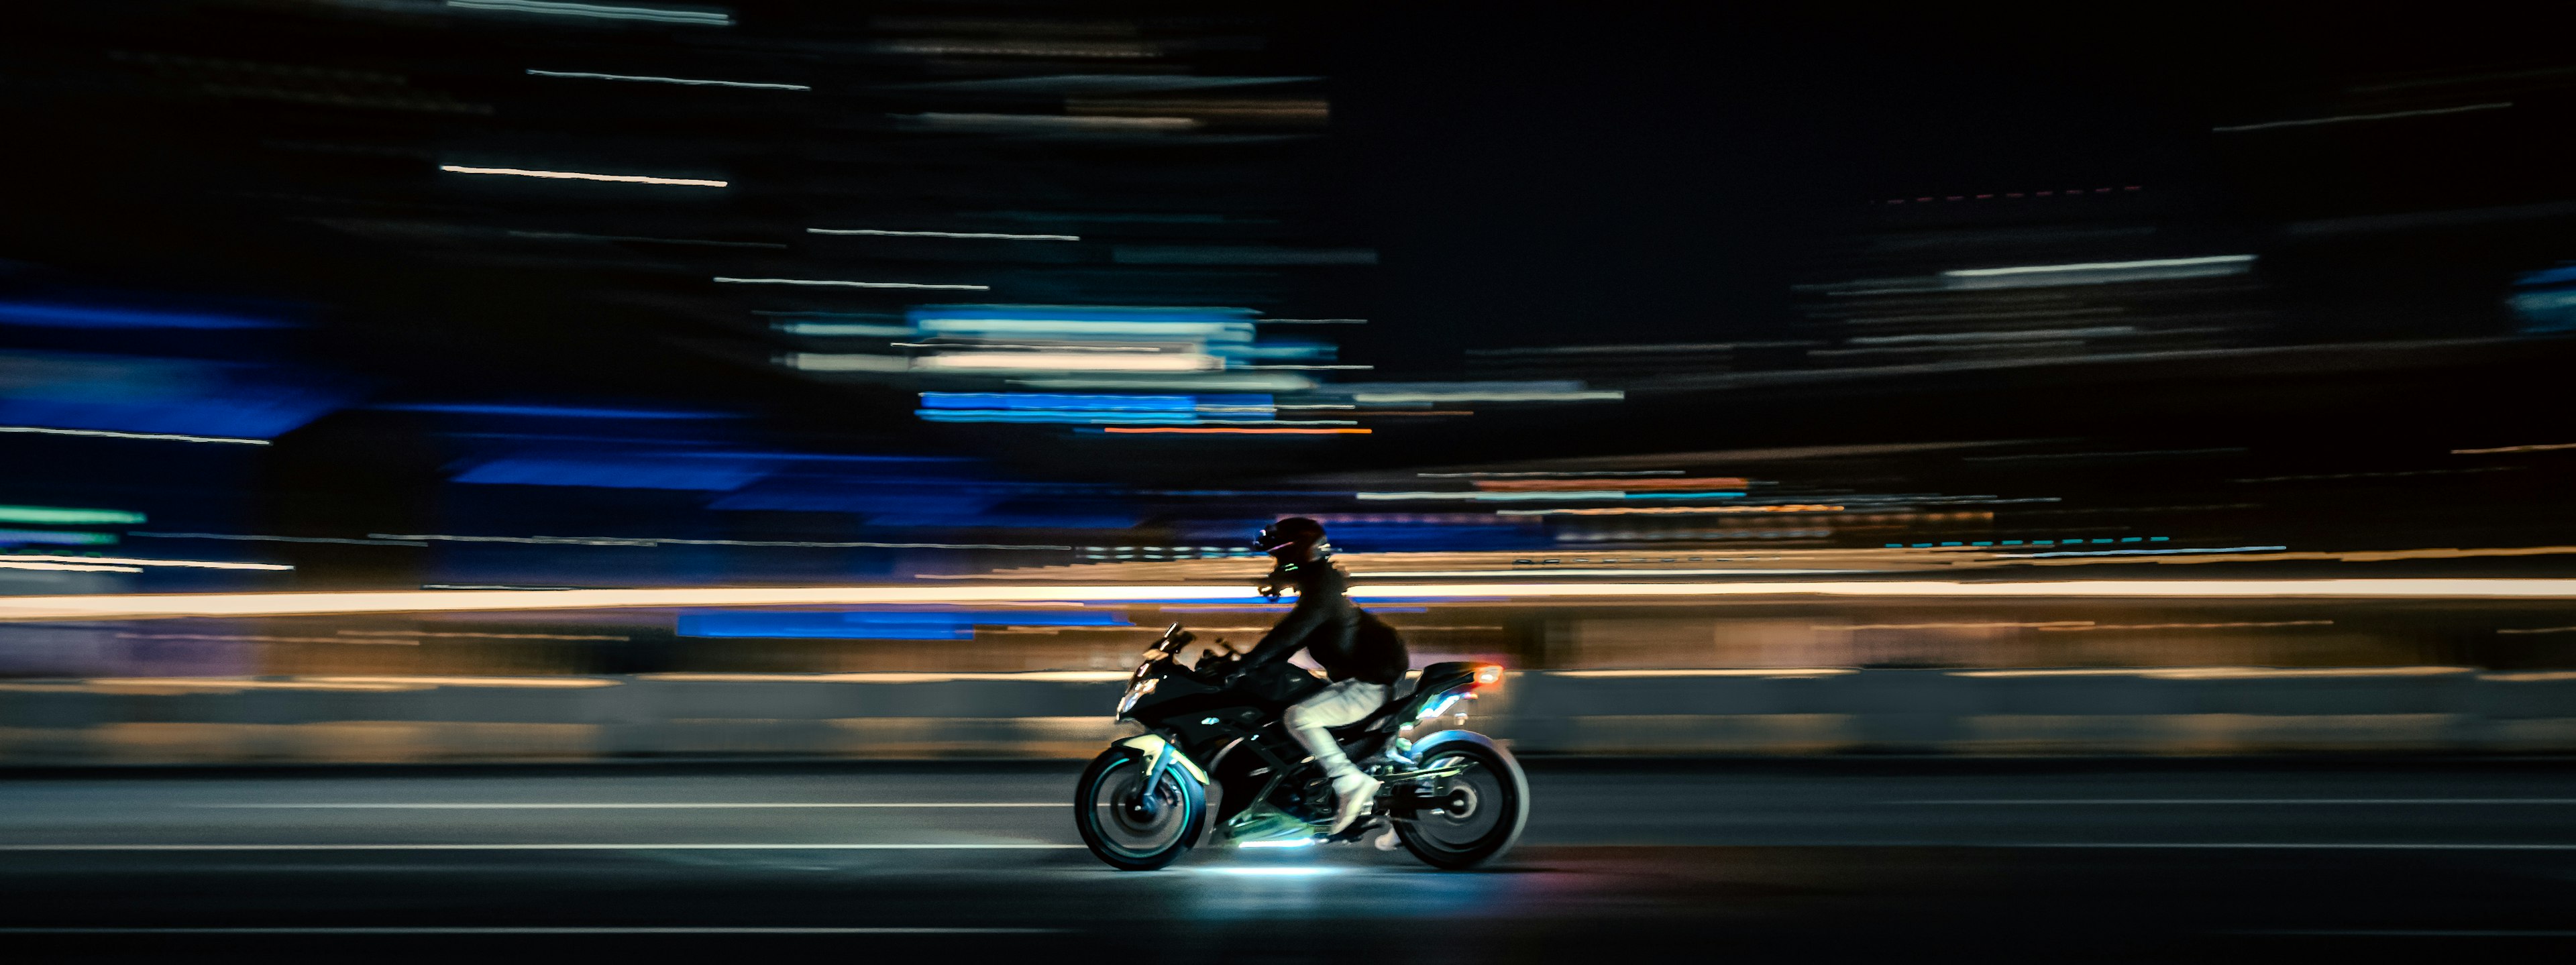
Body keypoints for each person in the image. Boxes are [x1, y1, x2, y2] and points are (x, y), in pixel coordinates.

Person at [1231, 517, 1409, 835]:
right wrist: (1246, 665)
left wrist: (1242, 667)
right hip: (1361, 684)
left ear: (1296, 554)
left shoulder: (1322, 593)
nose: (1276, 565)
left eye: (1278, 557)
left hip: (1365, 688)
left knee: (1298, 717)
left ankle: (1348, 781)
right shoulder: (1320, 589)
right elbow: (1288, 642)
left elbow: (1287, 636)